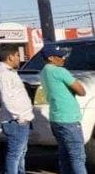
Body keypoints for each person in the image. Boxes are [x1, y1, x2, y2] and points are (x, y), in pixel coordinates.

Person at [40, 45, 87, 174]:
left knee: (65, 156)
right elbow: (81, 91)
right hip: (69, 120)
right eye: (60, 56)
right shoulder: (60, 71)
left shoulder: (43, 72)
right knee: (78, 157)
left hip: (56, 119)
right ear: (50, 58)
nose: (63, 59)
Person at [0, 44, 33, 174]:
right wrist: (19, 117)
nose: (19, 59)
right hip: (15, 121)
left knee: (20, 153)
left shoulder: (8, 72)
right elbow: (7, 98)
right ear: (10, 57)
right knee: (15, 154)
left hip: (19, 120)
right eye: (17, 55)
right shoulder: (4, 74)